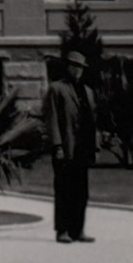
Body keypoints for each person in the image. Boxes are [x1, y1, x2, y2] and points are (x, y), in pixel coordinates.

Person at [41, 49, 99, 243]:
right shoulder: (56, 89)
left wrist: (95, 147)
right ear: (68, 67)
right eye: (74, 66)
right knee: (64, 190)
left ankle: (78, 229)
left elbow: (92, 121)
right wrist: (57, 145)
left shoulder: (88, 91)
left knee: (81, 191)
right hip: (65, 148)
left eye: (81, 68)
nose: (78, 71)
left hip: (82, 148)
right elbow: (52, 119)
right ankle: (63, 230)